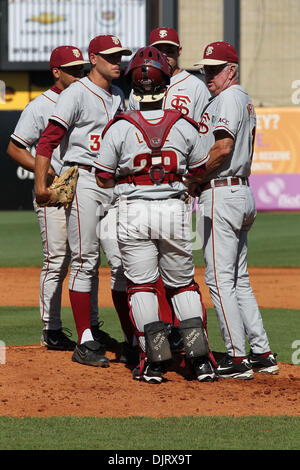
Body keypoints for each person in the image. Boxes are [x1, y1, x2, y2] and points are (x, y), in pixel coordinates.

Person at [94, 46, 217, 384]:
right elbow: (202, 167)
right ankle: (200, 361)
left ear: (133, 87)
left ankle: (154, 363)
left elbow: (103, 176)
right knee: (181, 286)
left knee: (142, 288)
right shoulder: (183, 124)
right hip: (174, 210)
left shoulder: (119, 126)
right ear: (168, 83)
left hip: (132, 211)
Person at [34, 35, 136, 367]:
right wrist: (40, 185)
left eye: (120, 56)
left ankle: (132, 338)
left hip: (117, 183)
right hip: (87, 179)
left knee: (123, 262)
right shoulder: (76, 92)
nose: (117, 61)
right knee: (85, 260)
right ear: (93, 58)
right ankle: (85, 341)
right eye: (110, 57)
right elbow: (47, 141)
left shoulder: (120, 96)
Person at [189, 41, 279, 379]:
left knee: (219, 278)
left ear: (232, 70)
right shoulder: (242, 99)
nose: (208, 74)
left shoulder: (228, 97)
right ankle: (262, 352)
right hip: (241, 192)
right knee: (240, 279)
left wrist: (193, 177)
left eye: (215, 69)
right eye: (206, 69)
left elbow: (223, 147)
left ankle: (237, 358)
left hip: (222, 192)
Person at [128, 27, 211, 351]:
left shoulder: (194, 85)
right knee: (162, 274)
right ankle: (172, 339)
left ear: (178, 49)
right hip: (161, 188)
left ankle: (171, 342)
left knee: (169, 273)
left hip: (174, 183)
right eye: (160, 48)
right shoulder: (140, 87)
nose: (167, 52)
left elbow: (202, 132)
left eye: (170, 48)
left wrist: (194, 181)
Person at [7, 46, 91, 351]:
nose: (79, 73)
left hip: (86, 189)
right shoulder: (39, 106)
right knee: (57, 259)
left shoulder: (89, 97)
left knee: (86, 259)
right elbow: (15, 148)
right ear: (56, 72)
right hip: (55, 192)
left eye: (81, 68)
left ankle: (90, 328)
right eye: (72, 69)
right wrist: (48, 170)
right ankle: (51, 328)